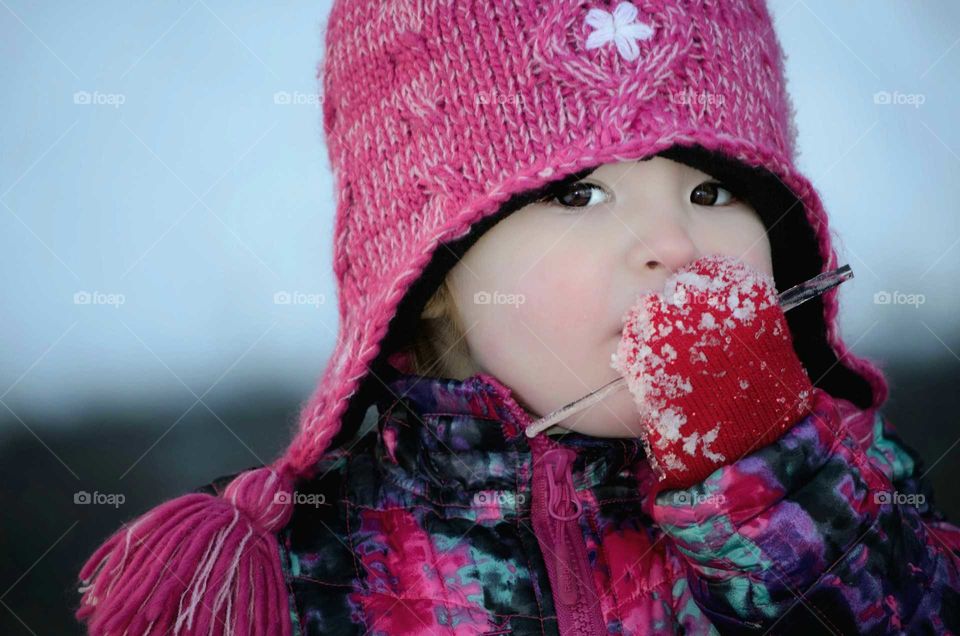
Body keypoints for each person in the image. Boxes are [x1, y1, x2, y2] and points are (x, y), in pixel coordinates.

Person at [75, 1, 960, 634]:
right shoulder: (315, 570)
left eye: (711, 187)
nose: (671, 242)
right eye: (581, 194)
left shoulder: (852, 491)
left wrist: (766, 475)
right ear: (431, 274)